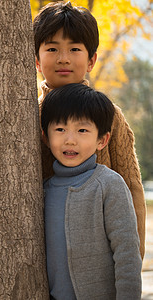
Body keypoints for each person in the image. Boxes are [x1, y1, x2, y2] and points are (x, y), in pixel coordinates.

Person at [33, 1, 146, 258]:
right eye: (52, 48)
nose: (63, 58)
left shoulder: (109, 116)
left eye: (74, 48)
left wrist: (133, 258)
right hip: (47, 252)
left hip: (98, 251)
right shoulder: (28, 115)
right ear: (37, 61)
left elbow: (132, 187)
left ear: (92, 59)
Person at [41, 83, 142, 299]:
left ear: (102, 140)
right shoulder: (42, 190)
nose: (70, 139)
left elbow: (127, 254)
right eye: (60, 129)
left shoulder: (108, 184)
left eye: (82, 130)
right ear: (45, 137)